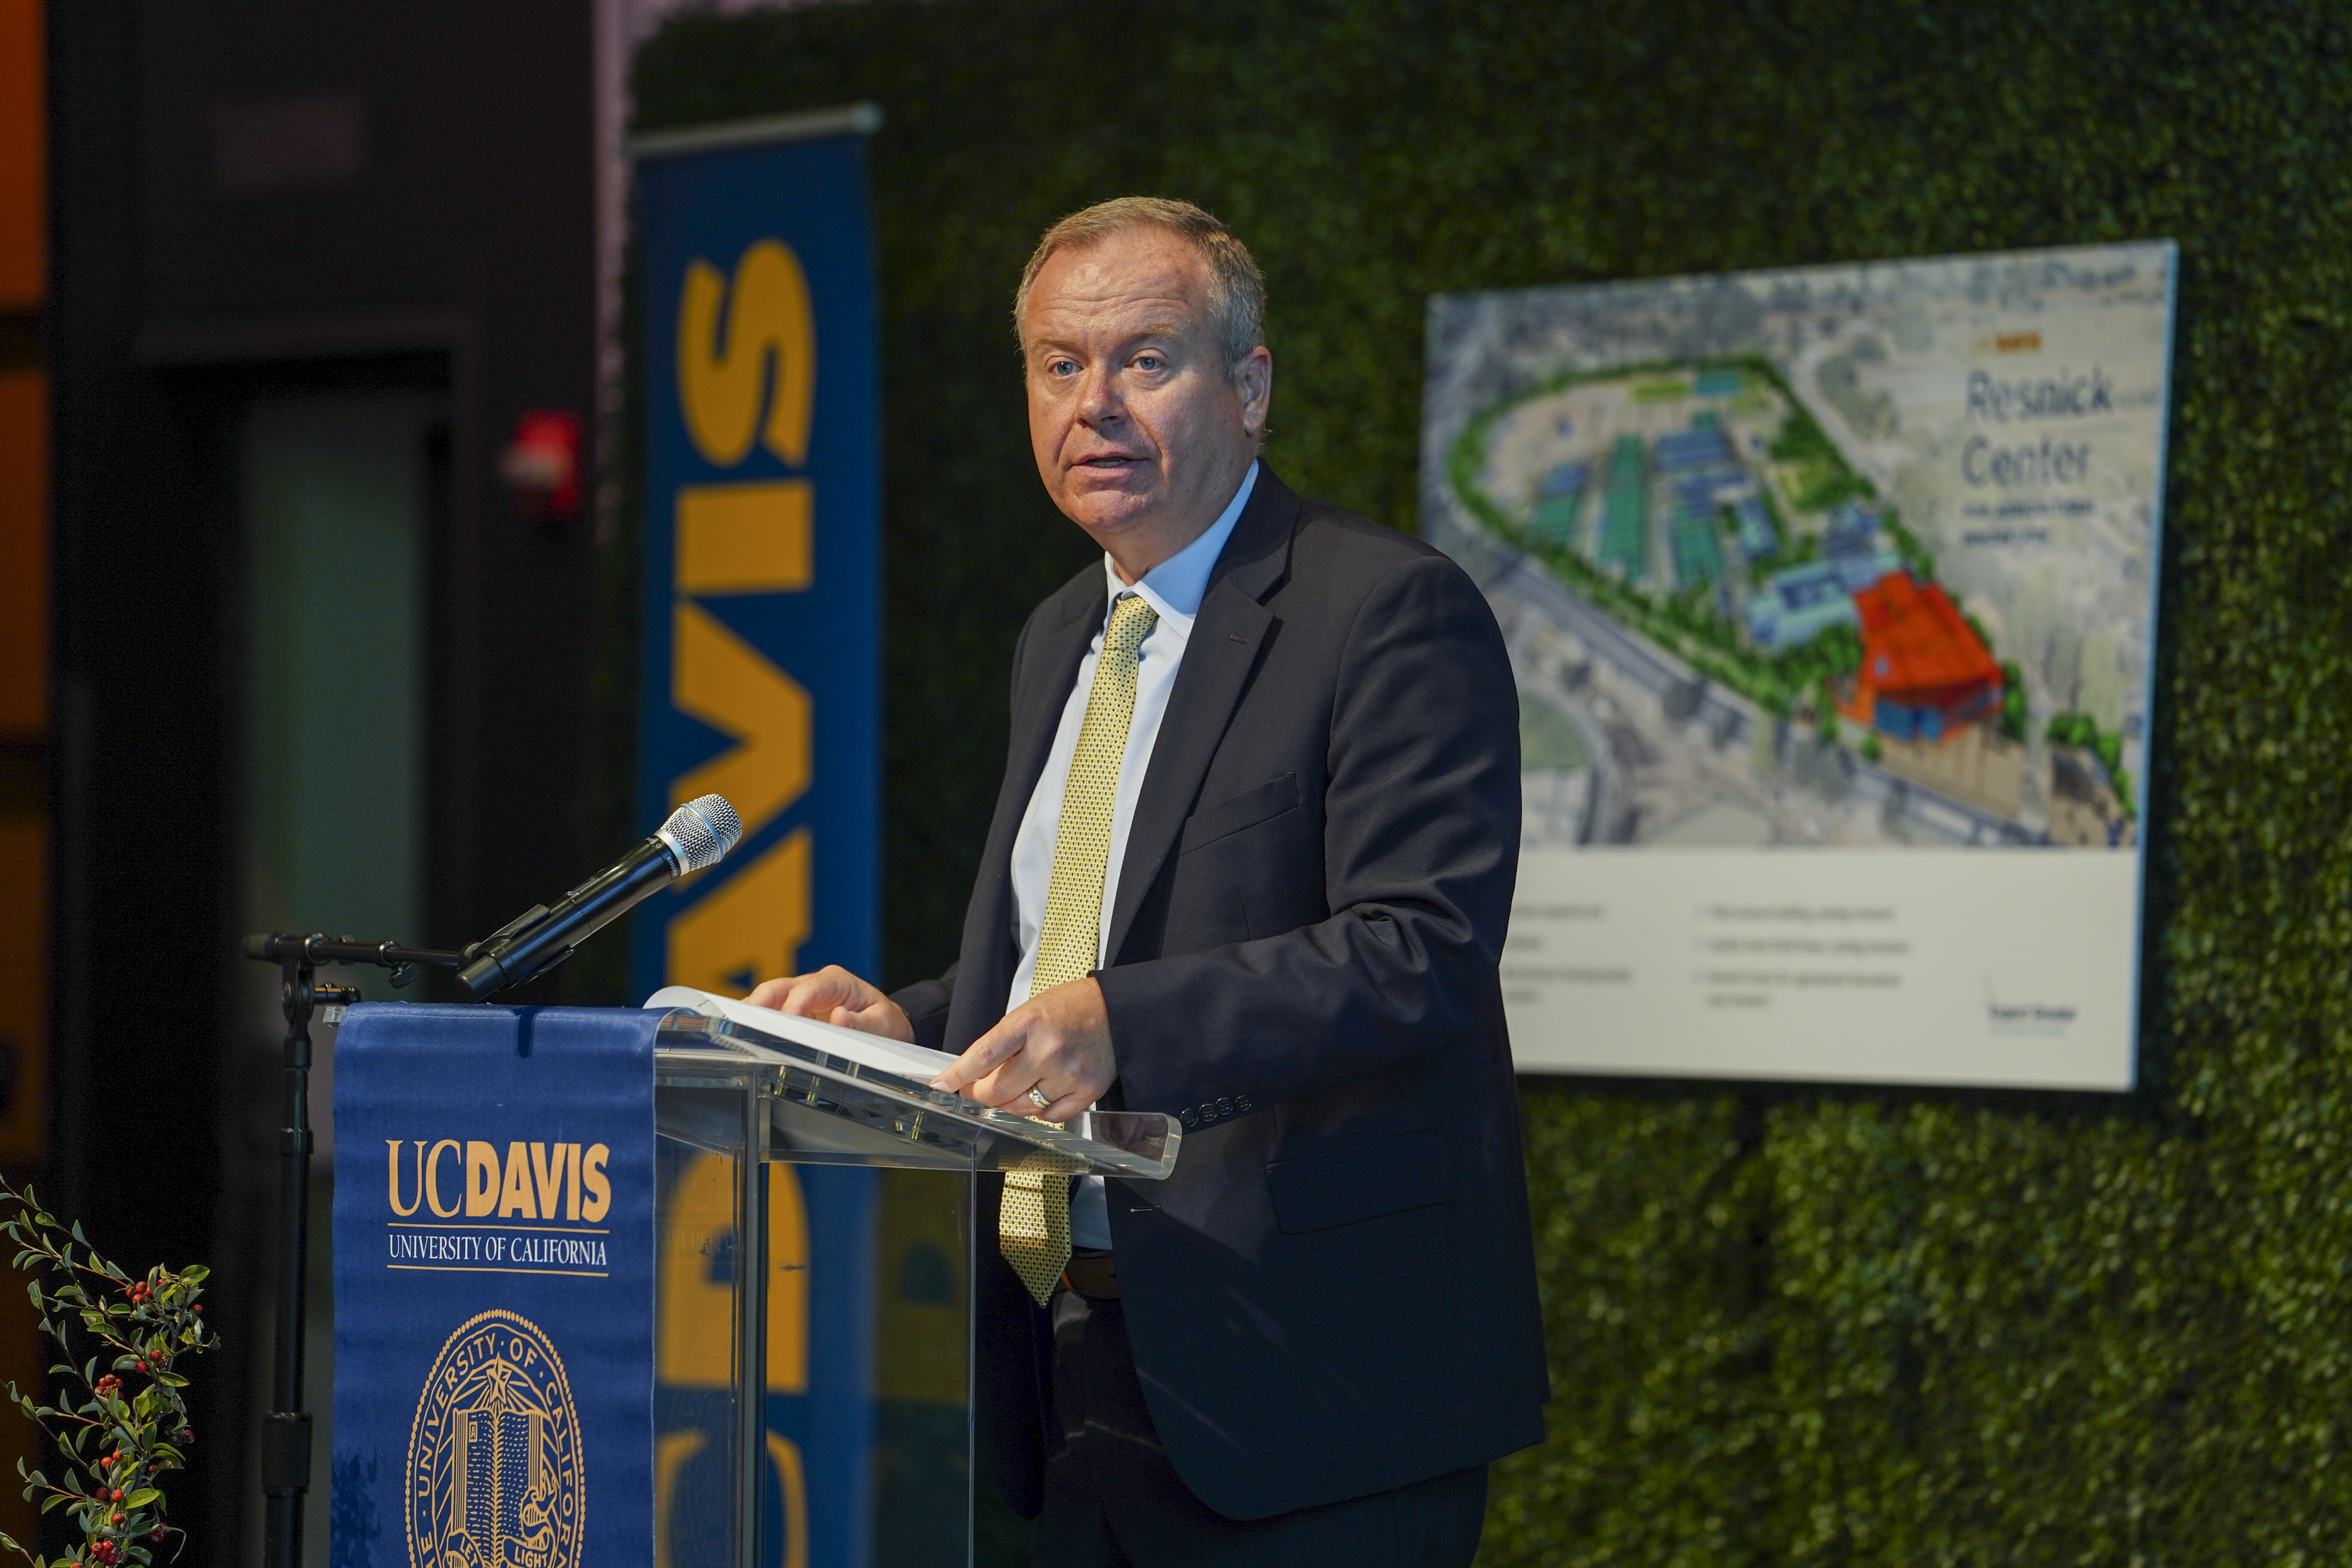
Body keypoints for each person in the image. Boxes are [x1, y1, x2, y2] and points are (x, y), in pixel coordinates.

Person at [749, 197, 1545, 1567]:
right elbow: (1065, 953)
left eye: (1146, 360)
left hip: (1312, 1385)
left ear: (1250, 387)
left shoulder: (1386, 610)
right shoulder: (1063, 629)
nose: (1095, 404)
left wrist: (1122, 1022)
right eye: (1060, 365)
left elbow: (1420, 949)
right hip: (1067, 1363)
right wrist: (912, 1024)